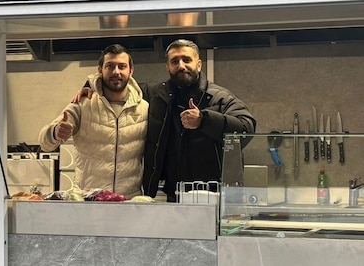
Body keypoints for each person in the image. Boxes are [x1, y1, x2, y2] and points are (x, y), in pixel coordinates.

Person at [72, 39, 256, 202]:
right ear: (167, 67)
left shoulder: (219, 97)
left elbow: (246, 128)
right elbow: (120, 84)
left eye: (187, 60)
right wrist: (91, 85)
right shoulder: (156, 94)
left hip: (214, 195)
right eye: (174, 61)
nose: (181, 65)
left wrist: (204, 120)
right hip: (173, 194)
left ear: (199, 64)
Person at [38, 44, 149, 199]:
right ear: (100, 70)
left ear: (131, 71)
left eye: (121, 66)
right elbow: (45, 143)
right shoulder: (84, 104)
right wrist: (55, 132)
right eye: (110, 66)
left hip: (128, 201)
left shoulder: (144, 108)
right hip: (88, 200)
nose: (116, 72)